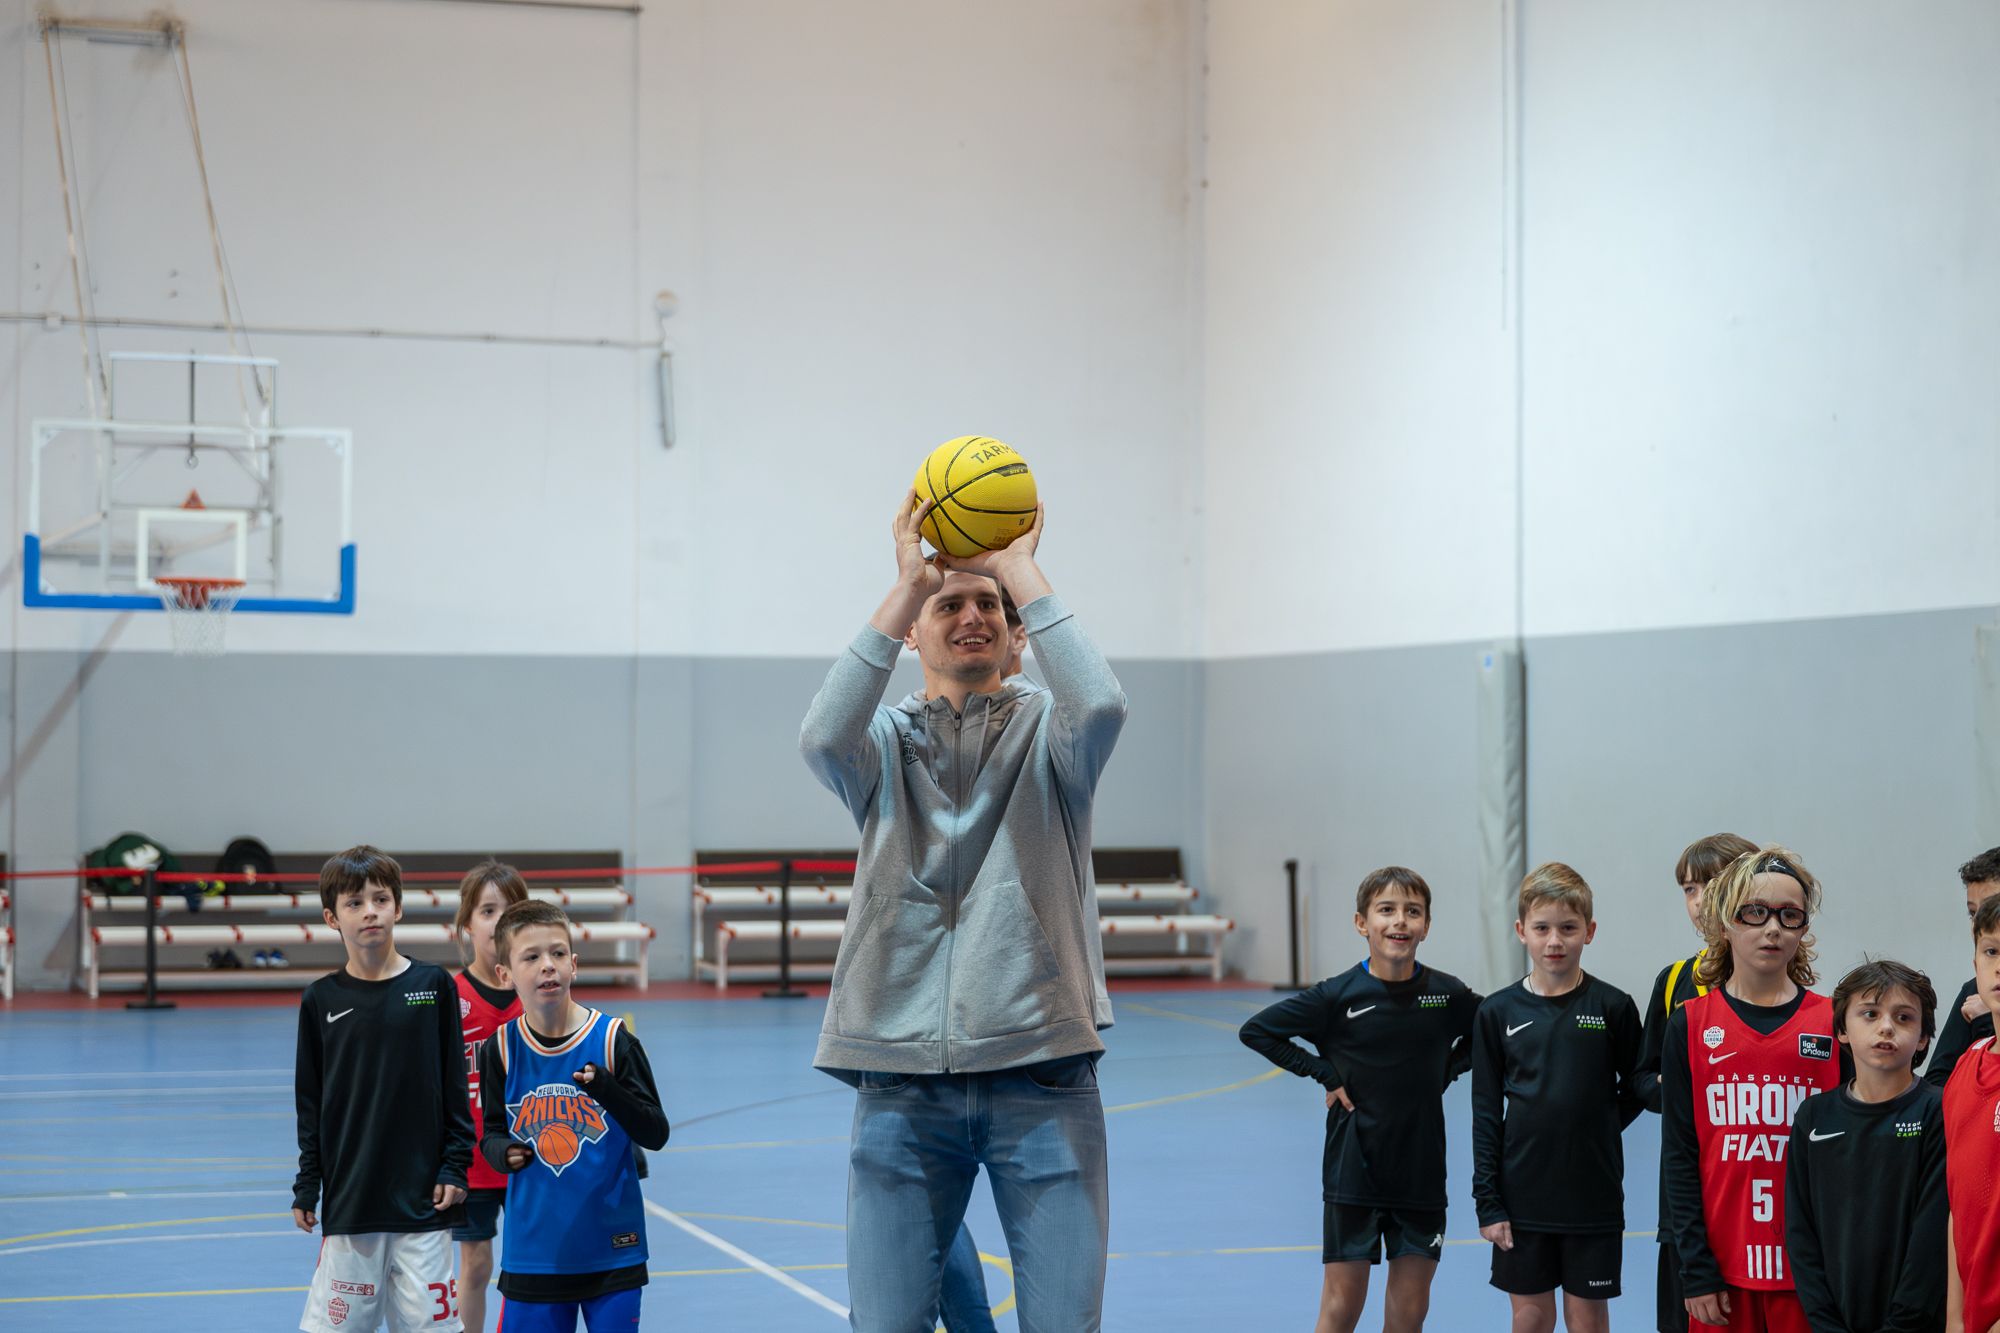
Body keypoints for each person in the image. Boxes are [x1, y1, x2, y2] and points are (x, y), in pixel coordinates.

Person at [799, 492, 1126, 1333]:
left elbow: (1103, 704)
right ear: (916, 631)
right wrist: (908, 582)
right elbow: (820, 736)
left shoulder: (1055, 737)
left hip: (1043, 1077)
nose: (973, 615)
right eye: (951, 603)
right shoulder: (879, 747)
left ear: (1020, 635)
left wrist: (1017, 563)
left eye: (992, 605)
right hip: (901, 1084)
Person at [1238, 866, 1479, 1333]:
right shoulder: (1336, 996)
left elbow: (1491, 1029)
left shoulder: (1445, 995)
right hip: (1354, 1171)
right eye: (1386, 910)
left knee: (1409, 1314)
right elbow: (1258, 1031)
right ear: (1361, 923)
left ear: (1427, 925)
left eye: (1412, 912)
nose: (1399, 922)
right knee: (1340, 1308)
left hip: (1421, 1173)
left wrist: (1449, 1068)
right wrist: (1322, 1071)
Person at [293, 846, 473, 1333]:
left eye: (380, 899)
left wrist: (455, 1164)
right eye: (354, 903)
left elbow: (455, 1087)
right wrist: (309, 1183)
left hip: (424, 1203)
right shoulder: (320, 1000)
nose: (369, 911)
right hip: (353, 1203)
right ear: (332, 917)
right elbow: (310, 1104)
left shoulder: (433, 986)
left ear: (399, 906)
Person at [1661, 846, 1839, 1333]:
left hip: (1810, 1271)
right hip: (1722, 1272)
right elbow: (1679, 1154)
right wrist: (1695, 1268)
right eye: (1755, 913)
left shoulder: (1834, 1021)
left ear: (1804, 928)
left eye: (1790, 915)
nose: (1773, 928)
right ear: (1724, 924)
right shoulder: (1690, 1025)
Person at [477, 899, 669, 1331]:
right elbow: (489, 1131)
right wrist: (501, 1150)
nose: (548, 965)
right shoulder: (501, 1050)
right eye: (532, 956)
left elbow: (655, 1132)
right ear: (505, 974)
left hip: (612, 1248)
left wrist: (606, 1088)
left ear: (574, 964)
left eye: (558, 953)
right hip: (535, 1252)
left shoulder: (613, 1040)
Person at [1471, 862, 1643, 1333]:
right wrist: (1488, 1200)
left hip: (1593, 1194)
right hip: (1522, 1195)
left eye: (1568, 928)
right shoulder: (1497, 1011)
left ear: (1589, 931)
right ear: (1520, 931)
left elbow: (1638, 1085)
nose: (1554, 941)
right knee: (1529, 1318)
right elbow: (1485, 1111)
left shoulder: (1612, 1006)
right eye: (1542, 928)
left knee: (1587, 1318)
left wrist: (1600, 1122)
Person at [1637, 833, 1759, 1332]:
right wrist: (1684, 1089)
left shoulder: (1783, 984)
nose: (1701, 899)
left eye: (1713, 883)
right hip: (1687, 1208)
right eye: (1690, 888)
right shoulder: (1673, 982)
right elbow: (1642, 1081)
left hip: (1758, 1206)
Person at [1784, 959, 1945, 1333]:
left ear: (1923, 1037)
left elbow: (1933, 1240)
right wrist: (1825, 1324)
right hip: (1834, 1322)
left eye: (1904, 1018)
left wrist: (1903, 1324)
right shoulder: (1813, 1116)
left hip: (1916, 1323)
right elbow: (1800, 1232)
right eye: (1869, 1014)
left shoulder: (1937, 1110)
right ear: (1841, 1029)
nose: (1886, 1026)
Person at [451, 860, 529, 1333]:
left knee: (526, 1270)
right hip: (472, 1161)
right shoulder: (449, 996)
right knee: (476, 1265)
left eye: (512, 909)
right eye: (487, 910)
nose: (500, 921)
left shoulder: (538, 994)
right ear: (466, 924)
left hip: (528, 1155)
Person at [1944, 894, 2000, 1333]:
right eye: (1992, 950)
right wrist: (1956, 1320)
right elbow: (1958, 1207)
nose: (1999, 965)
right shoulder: (1966, 1065)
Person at [1922, 847, 2000, 1086]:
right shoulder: (1976, 989)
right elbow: (1938, 1081)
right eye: (1973, 913)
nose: (1977, 924)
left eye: (1989, 908)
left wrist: (1986, 1020)